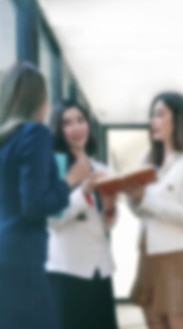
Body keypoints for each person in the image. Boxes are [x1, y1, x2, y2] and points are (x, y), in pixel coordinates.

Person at [0, 62, 90, 329]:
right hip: (21, 256)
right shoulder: (34, 133)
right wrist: (72, 179)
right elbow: (34, 205)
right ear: (38, 99)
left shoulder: (5, 140)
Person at [124, 91, 183, 329]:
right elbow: (143, 212)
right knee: (153, 321)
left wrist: (145, 198)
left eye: (159, 115)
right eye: (152, 116)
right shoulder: (150, 159)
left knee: (178, 322)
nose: (153, 122)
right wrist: (134, 198)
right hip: (148, 255)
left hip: (175, 257)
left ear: (178, 119)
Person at [46, 101, 119, 329]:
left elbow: (103, 225)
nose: (77, 127)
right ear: (58, 129)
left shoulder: (99, 168)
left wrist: (109, 209)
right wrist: (83, 192)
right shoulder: (53, 168)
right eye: (67, 123)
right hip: (68, 270)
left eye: (80, 120)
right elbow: (51, 219)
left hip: (99, 268)